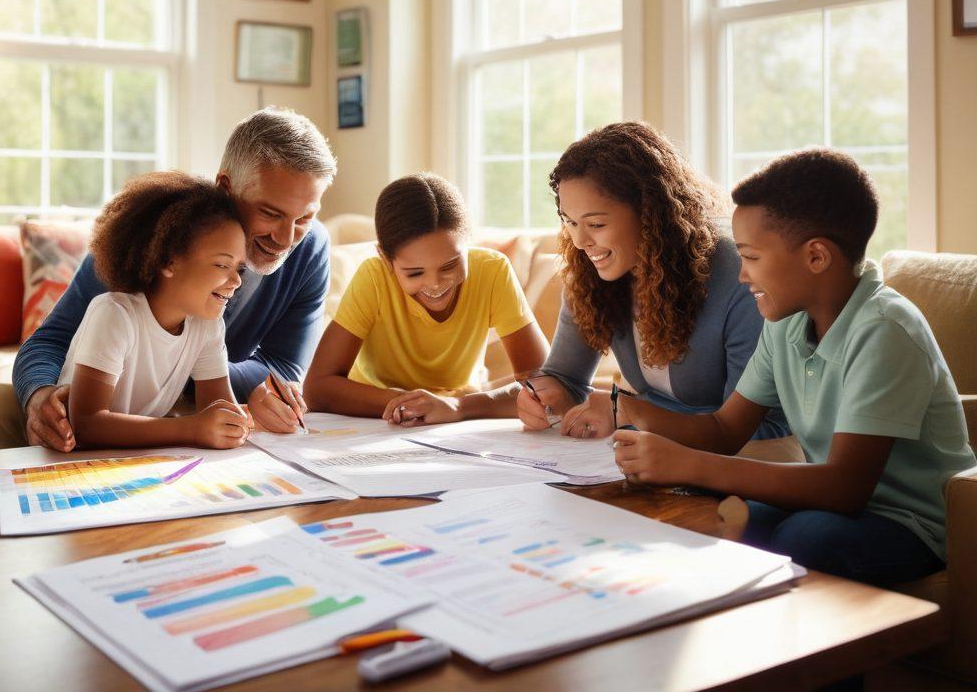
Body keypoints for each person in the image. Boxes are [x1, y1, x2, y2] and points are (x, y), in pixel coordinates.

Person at [612, 148, 976, 583]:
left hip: (916, 526)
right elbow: (725, 432)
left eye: (751, 257)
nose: (743, 276)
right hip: (838, 505)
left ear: (816, 257)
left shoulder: (884, 330)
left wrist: (689, 464)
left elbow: (844, 487)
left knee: (805, 537)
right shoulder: (786, 323)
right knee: (728, 518)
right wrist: (632, 411)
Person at [11, 107, 337, 451]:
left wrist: (198, 371)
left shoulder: (310, 249)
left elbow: (284, 367)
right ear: (226, 188)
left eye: (305, 217)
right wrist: (39, 396)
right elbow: (50, 340)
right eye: (270, 213)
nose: (286, 239)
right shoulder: (152, 235)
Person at [517, 122, 788, 443]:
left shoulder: (739, 277)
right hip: (648, 451)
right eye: (570, 222)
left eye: (596, 223)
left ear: (651, 213)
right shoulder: (593, 273)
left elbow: (761, 428)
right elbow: (566, 378)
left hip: (734, 465)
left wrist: (634, 416)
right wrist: (547, 395)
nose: (579, 241)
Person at [304, 172, 548, 425]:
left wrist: (458, 406)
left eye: (450, 266)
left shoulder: (492, 270)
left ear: (468, 242)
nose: (435, 284)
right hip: (377, 419)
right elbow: (317, 388)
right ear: (386, 259)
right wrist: (407, 403)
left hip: (463, 416)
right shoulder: (374, 278)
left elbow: (548, 382)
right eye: (415, 273)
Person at [61, 172, 253, 449]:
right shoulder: (114, 315)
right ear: (168, 261)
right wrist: (191, 428)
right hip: (73, 462)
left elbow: (219, 408)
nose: (236, 281)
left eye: (240, 268)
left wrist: (240, 421)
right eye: (222, 265)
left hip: (136, 462)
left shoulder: (207, 325)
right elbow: (87, 424)